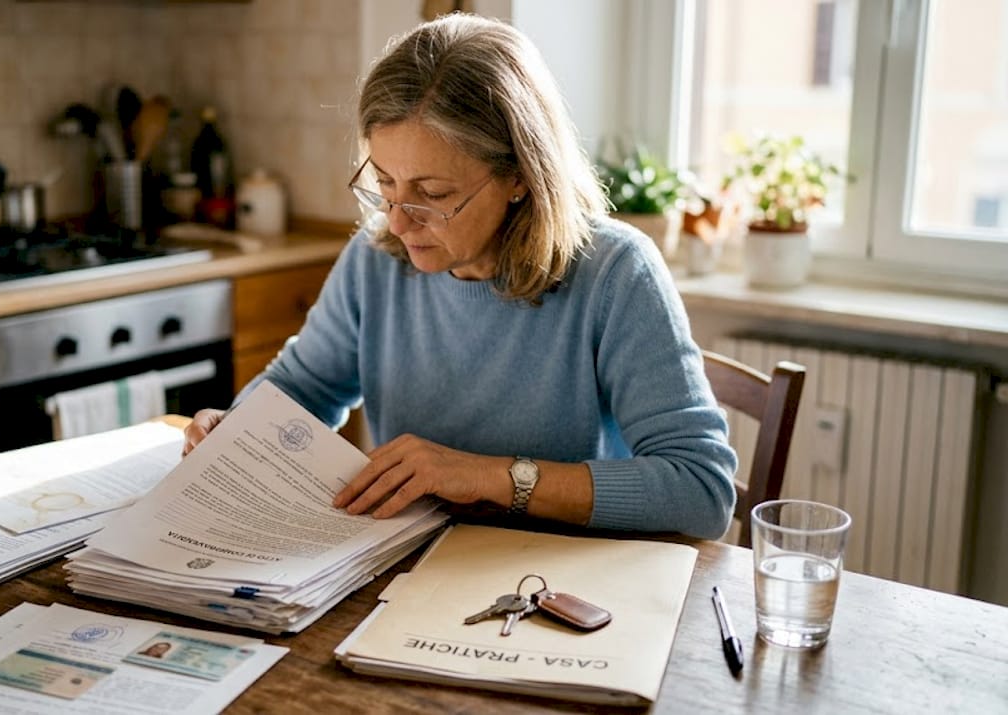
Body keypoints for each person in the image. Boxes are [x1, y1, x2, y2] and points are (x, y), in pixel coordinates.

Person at [184, 14, 737, 540]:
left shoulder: (616, 273)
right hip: (412, 563)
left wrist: (486, 476)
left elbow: (700, 490)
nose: (398, 222)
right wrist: (236, 428)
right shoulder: (376, 258)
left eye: (433, 193)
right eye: (385, 183)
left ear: (519, 176)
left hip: (558, 580)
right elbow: (305, 388)